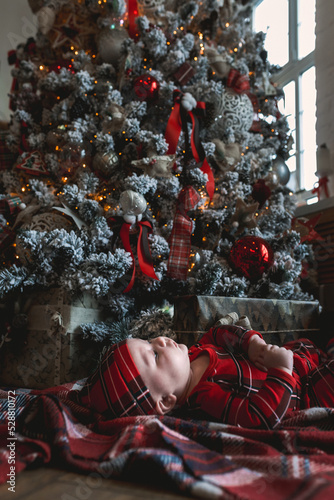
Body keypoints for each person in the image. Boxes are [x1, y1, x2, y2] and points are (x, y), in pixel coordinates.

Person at [72, 322, 334, 429]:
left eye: (150, 340)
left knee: (310, 346)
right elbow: (258, 418)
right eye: (153, 354)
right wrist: (282, 372)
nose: (161, 340)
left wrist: (251, 343)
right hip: (306, 392)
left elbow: (219, 333)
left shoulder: (195, 353)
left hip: (301, 360)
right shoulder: (207, 397)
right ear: (166, 401)